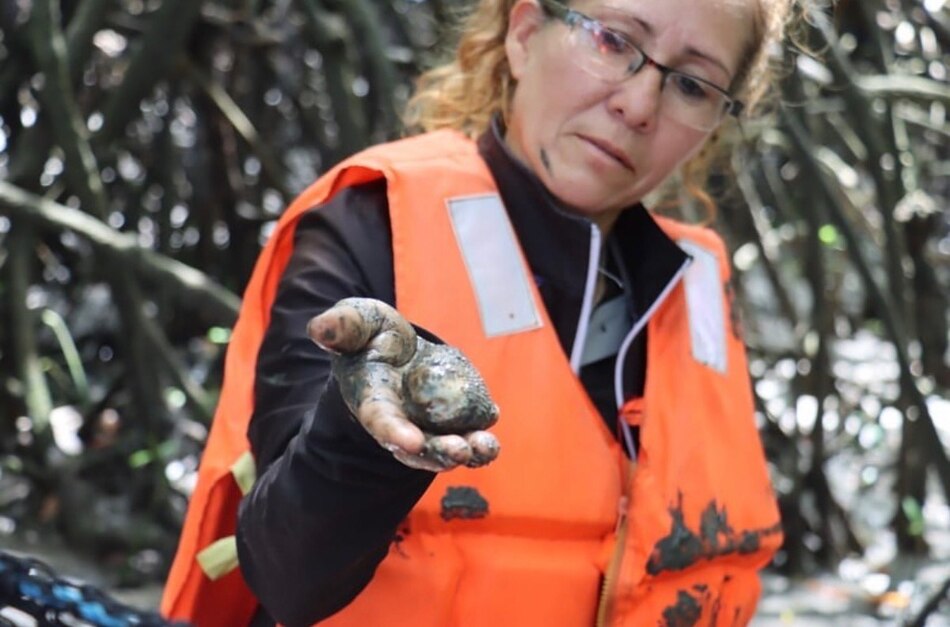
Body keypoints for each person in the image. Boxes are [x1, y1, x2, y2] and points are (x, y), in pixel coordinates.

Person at [161, 0, 795, 624]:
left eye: (691, 83)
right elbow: (285, 573)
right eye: (613, 41)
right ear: (523, 34)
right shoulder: (368, 225)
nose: (639, 105)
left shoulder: (701, 292)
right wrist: (360, 436)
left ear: (718, 116)